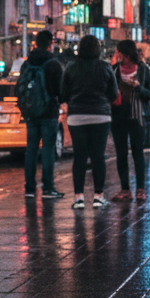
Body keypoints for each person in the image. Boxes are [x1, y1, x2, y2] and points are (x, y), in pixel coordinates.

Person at [61, 34, 119, 208]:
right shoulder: (105, 67)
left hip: (77, 116)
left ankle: (78, 198)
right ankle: (98, 196)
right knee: (98, 157)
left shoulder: (71, 68)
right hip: (100, 115)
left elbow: (63, 94)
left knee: (79, 157)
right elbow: (114, 94)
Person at [18, 29, 65, 200]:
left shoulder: (27, 63)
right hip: (49, 112)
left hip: (30, 112)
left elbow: (20, 88)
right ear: (51, 43)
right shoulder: (53, 63)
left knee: (30, 150)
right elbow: (60, 90)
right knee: (47, 150)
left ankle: (29, 188)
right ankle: (47, 188)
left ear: (36, 43)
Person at [110, 39, 150, 201]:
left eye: (119, 52)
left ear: (126, 54)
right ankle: (125, 189)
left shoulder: (143, 70)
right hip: (118, 117)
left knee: (138, 153)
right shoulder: (115, 70)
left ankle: (140, 190)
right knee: (121, 153)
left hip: (137, 117)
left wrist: (138, 86)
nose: (117, 55)